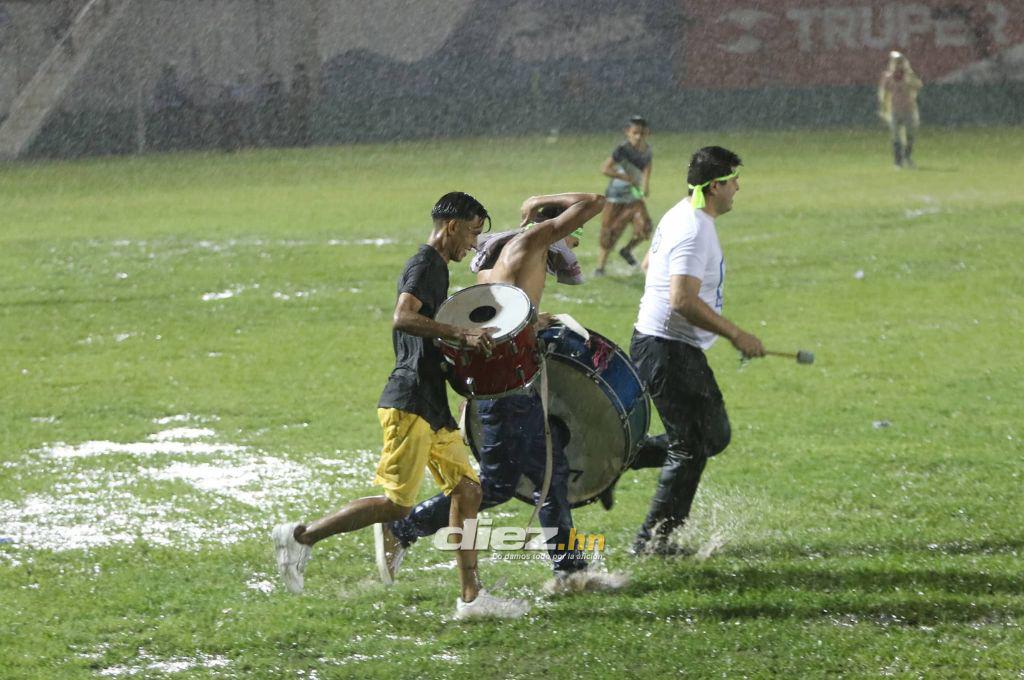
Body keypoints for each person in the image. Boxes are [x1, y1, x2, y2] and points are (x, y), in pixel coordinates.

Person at [272, 192, 529, 619]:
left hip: (431, 400)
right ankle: (301, 537)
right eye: (471, 232)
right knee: (398, 505)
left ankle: (471, 598)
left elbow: (425, 338)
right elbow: (403, 317)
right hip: (409, 401)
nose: (472, 242)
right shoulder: (425, 264)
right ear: (451, 226)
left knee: (468, 490)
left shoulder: (439, 270)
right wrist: (461, 334)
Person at [380, 193, 627, 593]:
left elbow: (496, 321)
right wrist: (539, 202)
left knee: (548, 474)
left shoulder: (508, 256)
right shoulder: (531, 242)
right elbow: (593, 200)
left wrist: (532, 323)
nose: (577, 243)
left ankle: (570, 570)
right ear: (558, 228)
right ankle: (405, 526)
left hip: (502, 386)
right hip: (504, 393)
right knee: (496, 485)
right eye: (573, 234)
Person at [628, 146, 765, 555]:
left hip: (667, 347)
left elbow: (649, 266)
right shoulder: (694, 228)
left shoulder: (682, 214)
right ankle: (652, 541)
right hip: (666, 349)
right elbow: (682, 300)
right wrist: (736, 334)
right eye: (734, 180)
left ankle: (617, 457)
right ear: (716, 185)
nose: (738, 187)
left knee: (712, 435)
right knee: (691, 446)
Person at [594, 115, 653, 276]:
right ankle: (600, 268)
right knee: (609, 233)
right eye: (635, 133)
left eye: (641, 133)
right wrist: (625, 177)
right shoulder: (622, 149)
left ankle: (627, 250)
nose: (638, 136)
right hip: (615, 197)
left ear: (647, 133)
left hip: (633, 197)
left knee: (645, 228)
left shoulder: (647, 150)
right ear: (628, 132)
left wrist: (646, 184)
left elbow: (648, 165)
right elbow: (605, 168)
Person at [878, 51, 923, 169]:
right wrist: (883, 107)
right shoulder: (888, 77)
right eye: (895, 62)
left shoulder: (908, 76)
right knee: (896, 136)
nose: (897, 65)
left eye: (899, 62)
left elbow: (918, 85)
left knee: (910, 135)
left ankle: (907, 157)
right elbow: (883, 93)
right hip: (894, 110)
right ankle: (898, 161)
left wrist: (910, 76)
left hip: (909, 109)